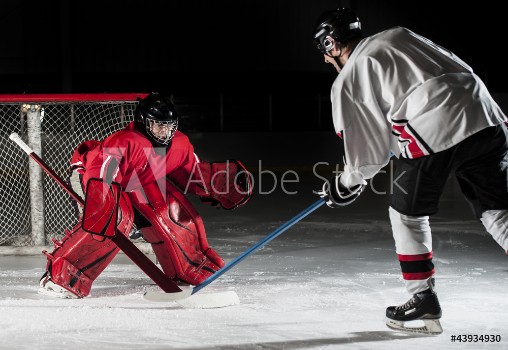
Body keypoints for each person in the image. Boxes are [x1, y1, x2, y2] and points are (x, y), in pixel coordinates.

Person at [313, 8, 508, 334]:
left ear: (332, 45)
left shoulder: (348, 77)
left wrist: (345, 184)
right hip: (486, 114)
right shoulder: (399, 34)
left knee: (406, 212)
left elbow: (367, 157)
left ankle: (422, 300)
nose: (325, 60)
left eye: (324, 52)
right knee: (498, 210)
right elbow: (460, 67)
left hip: (434, 124)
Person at [39, 92, 252, 299]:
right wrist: (103, 200)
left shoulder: (179, 144)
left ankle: (187, 267)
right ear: (144, 122)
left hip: (136, 179)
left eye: (169, 126)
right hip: (93, 175)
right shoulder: (125, 141)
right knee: (114, 218)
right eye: (158, 125)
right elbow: (102, 171)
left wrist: (218, 181)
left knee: (171, 211)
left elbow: (190, 171)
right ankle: (63, 272)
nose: (164, 132)